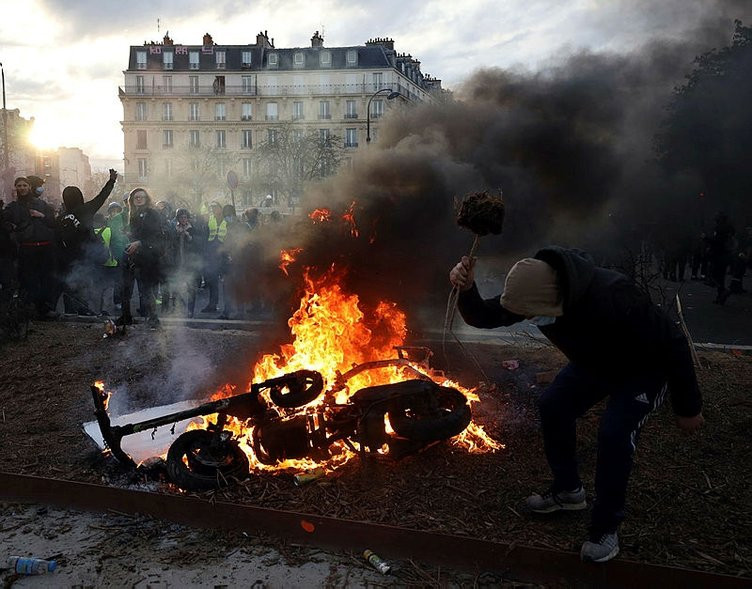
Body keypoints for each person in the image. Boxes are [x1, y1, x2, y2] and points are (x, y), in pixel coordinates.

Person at [449, 245, 704, 563]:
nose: (526, 318)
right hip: (594, 364)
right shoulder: (533, 293)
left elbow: (673, 342)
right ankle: (568, 492)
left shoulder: (614, 294)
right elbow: (483, 316)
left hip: (642, 370)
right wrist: (467, 288)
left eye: (529, 314)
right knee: (554, 405)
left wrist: (688, 407)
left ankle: (606, 529)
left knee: (614, 434)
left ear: (554, 299)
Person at [55, 169, 118, 315]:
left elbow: (58, 240)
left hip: (68, 261)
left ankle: (72, 314)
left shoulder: (61, 217)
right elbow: (101, 197)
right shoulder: (85, 210)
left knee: (72, 288)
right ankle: (86, 313)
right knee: (86, 288)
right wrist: (111, 180)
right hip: (87, 258)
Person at [4, 177, 58, 318]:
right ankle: (28, 309)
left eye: (24, 185)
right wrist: (12, 228)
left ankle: (44, 309)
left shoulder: (42, 204)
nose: (22, 188)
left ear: (29, 187)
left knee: (45, 279)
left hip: (45, 249)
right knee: (28, 280)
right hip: (27, 249)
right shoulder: (12, 207)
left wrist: (41, 216)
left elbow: (52, 222)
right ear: (16, 188)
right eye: (19, 185)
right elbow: (4, 222)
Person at [116, 188, 163, 328]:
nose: (139, 199)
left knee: (146, 290)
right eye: (136, 197)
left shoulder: (153, 214)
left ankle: (153, 319)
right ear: (131, 200)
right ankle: (126, 317)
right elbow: (137, 233)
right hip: (131, 256)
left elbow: (156, 236)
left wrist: (140, 242)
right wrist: (128, 234)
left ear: (146, 198)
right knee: (125, 289)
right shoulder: (133, 214)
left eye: (141, 197)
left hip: (146, 258)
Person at [201, 201, 226, 314]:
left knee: (227, 281)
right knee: (212, 280)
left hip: (224, 252)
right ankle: (212, 304)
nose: (214, 209)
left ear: (221, 208)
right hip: (211, 252)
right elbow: (205, 235)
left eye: (216, 207)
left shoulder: (228, 220)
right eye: (212, 208)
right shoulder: (210, 219)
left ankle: (229, 307)